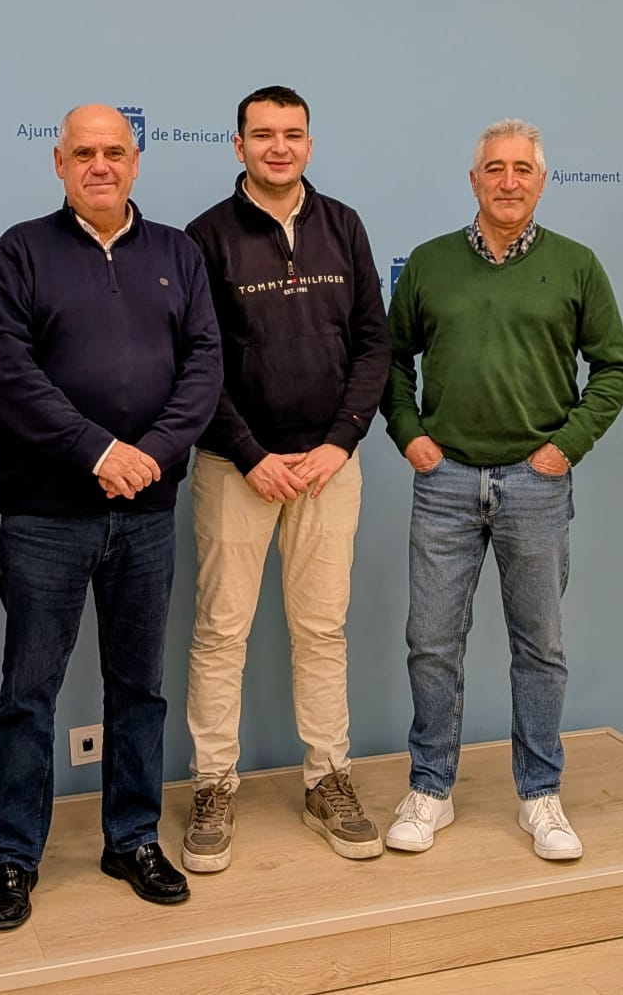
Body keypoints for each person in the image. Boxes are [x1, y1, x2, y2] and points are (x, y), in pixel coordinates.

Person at [0, 104, 222, 928]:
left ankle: (132, 838)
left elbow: (204, 366)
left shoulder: (177, 253)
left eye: (114, 150)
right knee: (28, 694)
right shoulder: (21, 251)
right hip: (46, 516)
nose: (99, 165)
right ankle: (14, 856)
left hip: (147, 513)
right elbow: (8, 372)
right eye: (83, 152)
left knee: (139, 689)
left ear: (136, 160)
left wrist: (149, 452)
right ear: (58, 163)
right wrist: (97, 450)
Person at [380, 118, 623, 861]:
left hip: (535, 482)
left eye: (522, 168)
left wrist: (566, 447)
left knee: (540, 646)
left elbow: (614, 368)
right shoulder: (429, 264)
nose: (508, 180)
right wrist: (409, 434)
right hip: (446, 481)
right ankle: (430, 788)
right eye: (495, 168)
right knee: (431, 642)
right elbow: (387, 361)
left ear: (541, 181)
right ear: (474, 180)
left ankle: (540, 793)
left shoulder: (577, 265)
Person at [179, 86, 390, 871]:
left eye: (292, 134)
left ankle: (326, 778)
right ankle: (212, 784)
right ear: (238, 145)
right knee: (220, 631)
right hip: (237, 468)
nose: (278, 147)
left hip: (328, 466)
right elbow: (197, 361)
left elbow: (372, 343)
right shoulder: (205, 236)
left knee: (321, 631)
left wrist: (339, 442)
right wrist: (250, 453)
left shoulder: (343, 225)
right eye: (262, 134)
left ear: (309, 143)